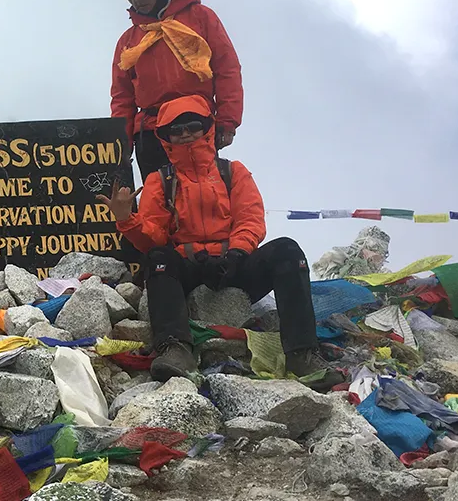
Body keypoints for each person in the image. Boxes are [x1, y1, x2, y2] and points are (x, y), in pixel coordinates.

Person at [98, 96, 334, 386]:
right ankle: (175, 349)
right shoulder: (160, 180)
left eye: (192, 125)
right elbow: (155, 237)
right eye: (176, 129)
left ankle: (302, 354)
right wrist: (127, 220)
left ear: (208, 128)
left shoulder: (233, 171)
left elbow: (251, 219)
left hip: (235, 264)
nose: (184, 133)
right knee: (158, 257)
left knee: (287, 250)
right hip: (188, 266)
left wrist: (236, 254)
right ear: (164, 136)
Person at [110, 0, 244, 178]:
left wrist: (227, 121)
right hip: (150, 133)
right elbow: (122, 96)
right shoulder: (128, 40)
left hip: (195, 126)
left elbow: (226, 69)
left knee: (202, 199)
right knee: (157, 205)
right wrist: (122, 140)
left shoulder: (201, 18)